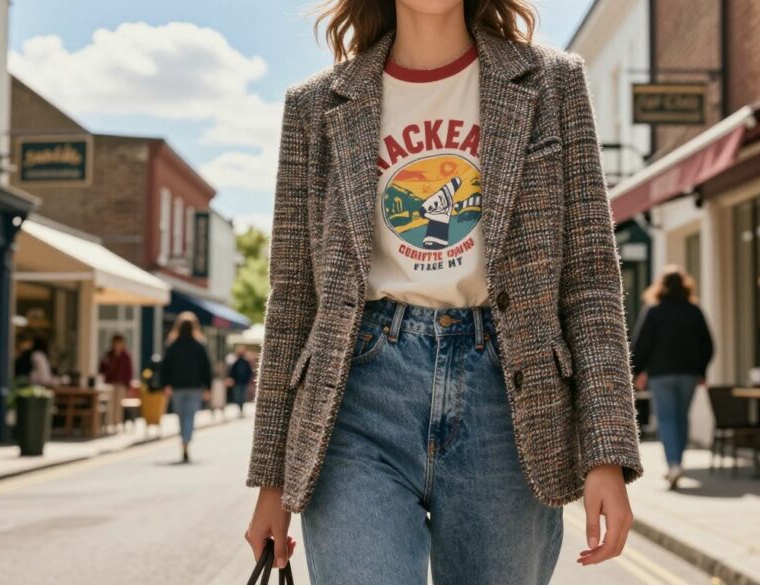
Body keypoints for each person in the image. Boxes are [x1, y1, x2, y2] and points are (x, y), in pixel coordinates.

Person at [243, 2, 644, 582]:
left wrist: (606, 451)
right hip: (357, 396)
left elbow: (589, 279)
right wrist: (272, 479)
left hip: (509, 400)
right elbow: (293, 300)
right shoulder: (315, 104)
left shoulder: (552, 82)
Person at [631, 265, 714, 489]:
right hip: (688, 374)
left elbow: (641, 344)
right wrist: (701, 371)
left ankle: (673, 464)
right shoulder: (694, 310)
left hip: (661, 375)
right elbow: (707, 344)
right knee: (681, 417)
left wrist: (638, 372)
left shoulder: (654, 310)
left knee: (666, 418)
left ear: (661, 286)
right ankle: (678, 461)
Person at [160, 311, 213, 463]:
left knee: (181, 417)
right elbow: (206, 368)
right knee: (190, 416)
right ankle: (186, 441)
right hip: (194, 387)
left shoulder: (172, 345)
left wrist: (165, 385)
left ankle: (183, 442)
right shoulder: (199, 345)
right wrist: (207, 387)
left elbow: (165, 367)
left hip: (178, 387)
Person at [99, 334, 134, 429]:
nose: (117, 345)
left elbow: (129, 372)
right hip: (109, 383)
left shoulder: (126, 356)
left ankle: (117, 423)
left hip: (121, 384)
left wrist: (128, 387)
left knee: (118, 405)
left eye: (119, 343)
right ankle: (109, 424)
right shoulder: (108, 355)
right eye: (116, 343)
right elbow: (101, 368)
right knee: (110, 404)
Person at [225, 344, 254, 418]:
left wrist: (248, 380)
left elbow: (249, 372)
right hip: (237, 383)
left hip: (243, 383)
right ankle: (240, 408)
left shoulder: (245, 362)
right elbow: (232, 372)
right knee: (238, 397)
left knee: (242, 396)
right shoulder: (236, 362)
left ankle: (241, 408)